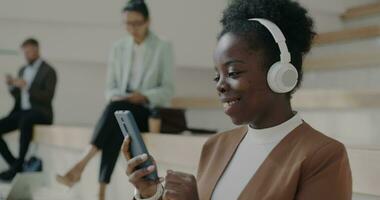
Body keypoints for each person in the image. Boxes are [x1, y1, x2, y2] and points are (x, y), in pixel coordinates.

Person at [122, 0, 352, 199]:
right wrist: (150, 194)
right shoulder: (215, 146)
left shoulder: (322, 156)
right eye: (216, 75)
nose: (220, 85)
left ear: (279, 74)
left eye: (233, 73)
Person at [56, 0, 174, 199]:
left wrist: (143, 95)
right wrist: (119, 96)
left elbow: (167, 90)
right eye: (128, 23)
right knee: (118, 121)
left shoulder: (163, 46)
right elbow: (110, 88)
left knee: (116, 113)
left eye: (137, 23)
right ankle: (100, 192)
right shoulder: (118, 48)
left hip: (146, 110)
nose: (132, 28)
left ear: (148, 21)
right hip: (121, 107)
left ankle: (81, 166)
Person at [0, 38, 57, 181]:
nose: (25, 55)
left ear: (36, 50)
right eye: (24, 52)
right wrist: (12, 86)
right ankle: (16, 165)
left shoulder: (49, 71)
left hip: (41, 112)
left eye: (28, 52)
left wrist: (27, 86)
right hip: (22, 111)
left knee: (26, 120)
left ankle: (16, 166)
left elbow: (47, 96)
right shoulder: (23, 69)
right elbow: (18, 96)